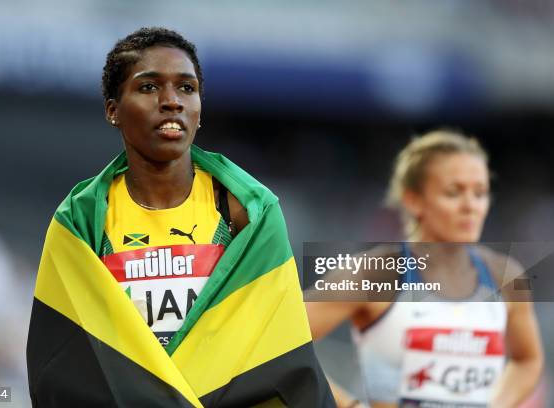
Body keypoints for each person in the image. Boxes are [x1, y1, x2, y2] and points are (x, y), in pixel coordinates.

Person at [27, 27, 334, 407]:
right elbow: (67, 362)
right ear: (113, 110)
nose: (172, 101)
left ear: (200, 108)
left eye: (186, 88)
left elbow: (277, 353)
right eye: (149, 87)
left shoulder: (246, 212)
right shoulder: (82, 220)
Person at [306, 130, 543, 408]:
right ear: (413, 200)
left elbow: (528, 359)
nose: (470, 206)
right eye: (453, 192)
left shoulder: (505, 274)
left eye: (480, 193)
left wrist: (497, 404)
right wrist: (349, 405)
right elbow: (280, 337)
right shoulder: (377, 272)